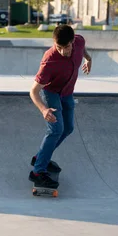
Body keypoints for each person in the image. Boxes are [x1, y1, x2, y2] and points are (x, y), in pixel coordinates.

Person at [28, 24, 92, 189]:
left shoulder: (79, 41)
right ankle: (38, 172)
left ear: (73, 41)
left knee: (68, 128)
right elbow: (33, 91)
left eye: (67, 47)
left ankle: (41, 157)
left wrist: (88, 59)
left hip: (68, 93)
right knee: (56, 130)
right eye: (59, 47)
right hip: (52, 93)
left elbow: (83, 48)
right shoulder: (49, 60)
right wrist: (44, 109)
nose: (63, 51)